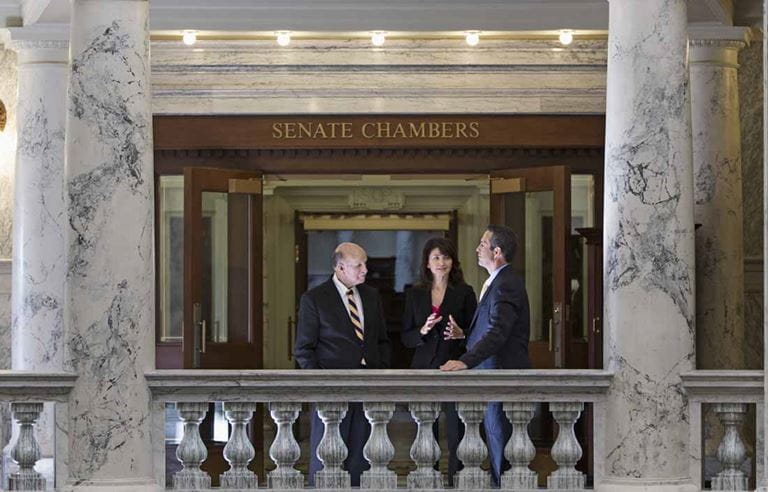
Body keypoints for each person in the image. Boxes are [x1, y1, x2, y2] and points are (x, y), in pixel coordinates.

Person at [293, 242, 391, 486]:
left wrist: (381, 374)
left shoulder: (371, 295)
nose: (365, 270)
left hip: (368, 385)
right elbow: (303, 350)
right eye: (358, 265)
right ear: (339, 267)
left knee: (363, 456)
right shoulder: (314, 298)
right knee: (327, 456)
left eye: (365, 264)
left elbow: (381, 340)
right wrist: (320, 383)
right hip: (330, 386)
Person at [440, 225, 531, 486]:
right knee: (495, 443)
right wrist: (465, 336)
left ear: (497, 252)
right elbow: (491, 329)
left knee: (502, 446)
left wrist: (465, 360)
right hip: (493, 375)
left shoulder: (506, 284)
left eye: (483, 243)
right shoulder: (497, 281)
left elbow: (499, 332)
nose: (477, 248)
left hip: (501, 376)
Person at [401, 237, 476, 484]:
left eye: (446, 257)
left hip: (455, 366)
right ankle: (427, 476)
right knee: (425, 425)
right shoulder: (415, 293)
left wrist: (461, 333)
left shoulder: (465, 292)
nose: (441, 262)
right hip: (423, 367)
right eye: (436, 257)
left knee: (457, 427)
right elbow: (405, 337)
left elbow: (477, 334)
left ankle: (456, 477)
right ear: (427, 263)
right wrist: (422, 330)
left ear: (453, 261)